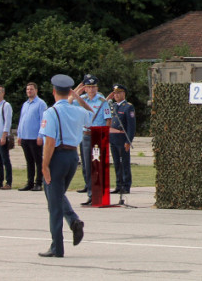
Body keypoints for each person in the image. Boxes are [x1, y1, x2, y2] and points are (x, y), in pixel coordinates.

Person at [38, 74, 87, 258]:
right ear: (70, 91)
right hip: (73, 157)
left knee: (55, 204)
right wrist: (77, 98)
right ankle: (74, 221)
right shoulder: (78, 110)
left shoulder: (51, 112)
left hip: (56, 158)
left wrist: (44, 166)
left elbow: (49, 142)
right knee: (55, 195)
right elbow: (92, 115)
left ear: (53, 91)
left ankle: (57, 247)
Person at [77, 75, 111, 205]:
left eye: (93, 87)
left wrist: (105, 137)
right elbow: (68, 100)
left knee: (97, 166)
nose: (91, 90)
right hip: (85, 135)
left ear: (97, 88)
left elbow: (108, 119)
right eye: (89, 87)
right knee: (87, 166)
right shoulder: (81, 100)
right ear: (85, 88)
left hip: (98, 136)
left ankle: (99, 193)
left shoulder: (102, 101)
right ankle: (91, 194)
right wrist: (79, 89)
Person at [16, 82, 47, 191]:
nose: (29, 91)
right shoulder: (25, 104)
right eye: (28, 89)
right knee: (29, 161)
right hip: (25, 136)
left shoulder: (40, 104)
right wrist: (19, 135)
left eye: (31, 89)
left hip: (35, 137)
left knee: (38, 161)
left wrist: (40, 135)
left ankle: (38, 182)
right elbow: (21, 120)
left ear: (36, 90)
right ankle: (29, 182)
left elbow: (43, 120)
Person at [108, 84, 135, 194]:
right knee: (116, 163)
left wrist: (128, 141)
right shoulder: (113, 106)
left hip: (122, 139)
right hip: (113, 139)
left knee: (124, 163)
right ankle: (118, 185)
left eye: (119, 93)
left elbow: (131, 126)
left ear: (123, 93)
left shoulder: (128, 107)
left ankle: (126, 185)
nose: (116, 95)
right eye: (115, 93)